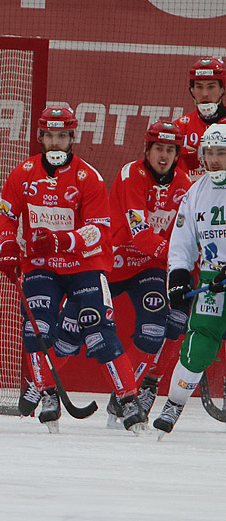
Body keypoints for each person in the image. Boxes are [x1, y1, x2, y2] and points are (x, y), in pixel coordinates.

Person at [0, 106, 145, 432]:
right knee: (38, 329)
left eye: (61, 136)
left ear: (71, 138)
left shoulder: (87, 176)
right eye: (49, 135)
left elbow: (98, 230)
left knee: (98, 332)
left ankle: (129, 399)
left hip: (85, 264)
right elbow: (6, 214)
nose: (54, 142)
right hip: (40, 266)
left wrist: (62, 242)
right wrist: (8, 243)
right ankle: (47, 392)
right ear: (40, 137)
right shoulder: (23, 173)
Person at [105, 121, 191, 426]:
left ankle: (125, 397)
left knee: (157, 329)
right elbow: (140, 235)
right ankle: (42, 385)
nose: (164, 155)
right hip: (114, 260)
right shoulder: (132, 175)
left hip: (150, 265)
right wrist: (178, 254)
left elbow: (186, 232)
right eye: (159, 148)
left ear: (177, 153)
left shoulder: (184, 186)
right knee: (74, 332)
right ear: (148, 150)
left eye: (170, 149)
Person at [155, 124, 226, 435]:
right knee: (200, 341)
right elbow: (182, 242)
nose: (213, 160)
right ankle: (174, 403)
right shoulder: (195, 192)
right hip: (213, 276)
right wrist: (179, 277)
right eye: (208, 153)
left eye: (221, 152)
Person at [173, 57, 226, 183]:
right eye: (199, 87)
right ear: (192, 91)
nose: (205, 94)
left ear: (222, 89)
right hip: (191, 198)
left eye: (211, 86)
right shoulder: (179, 129)